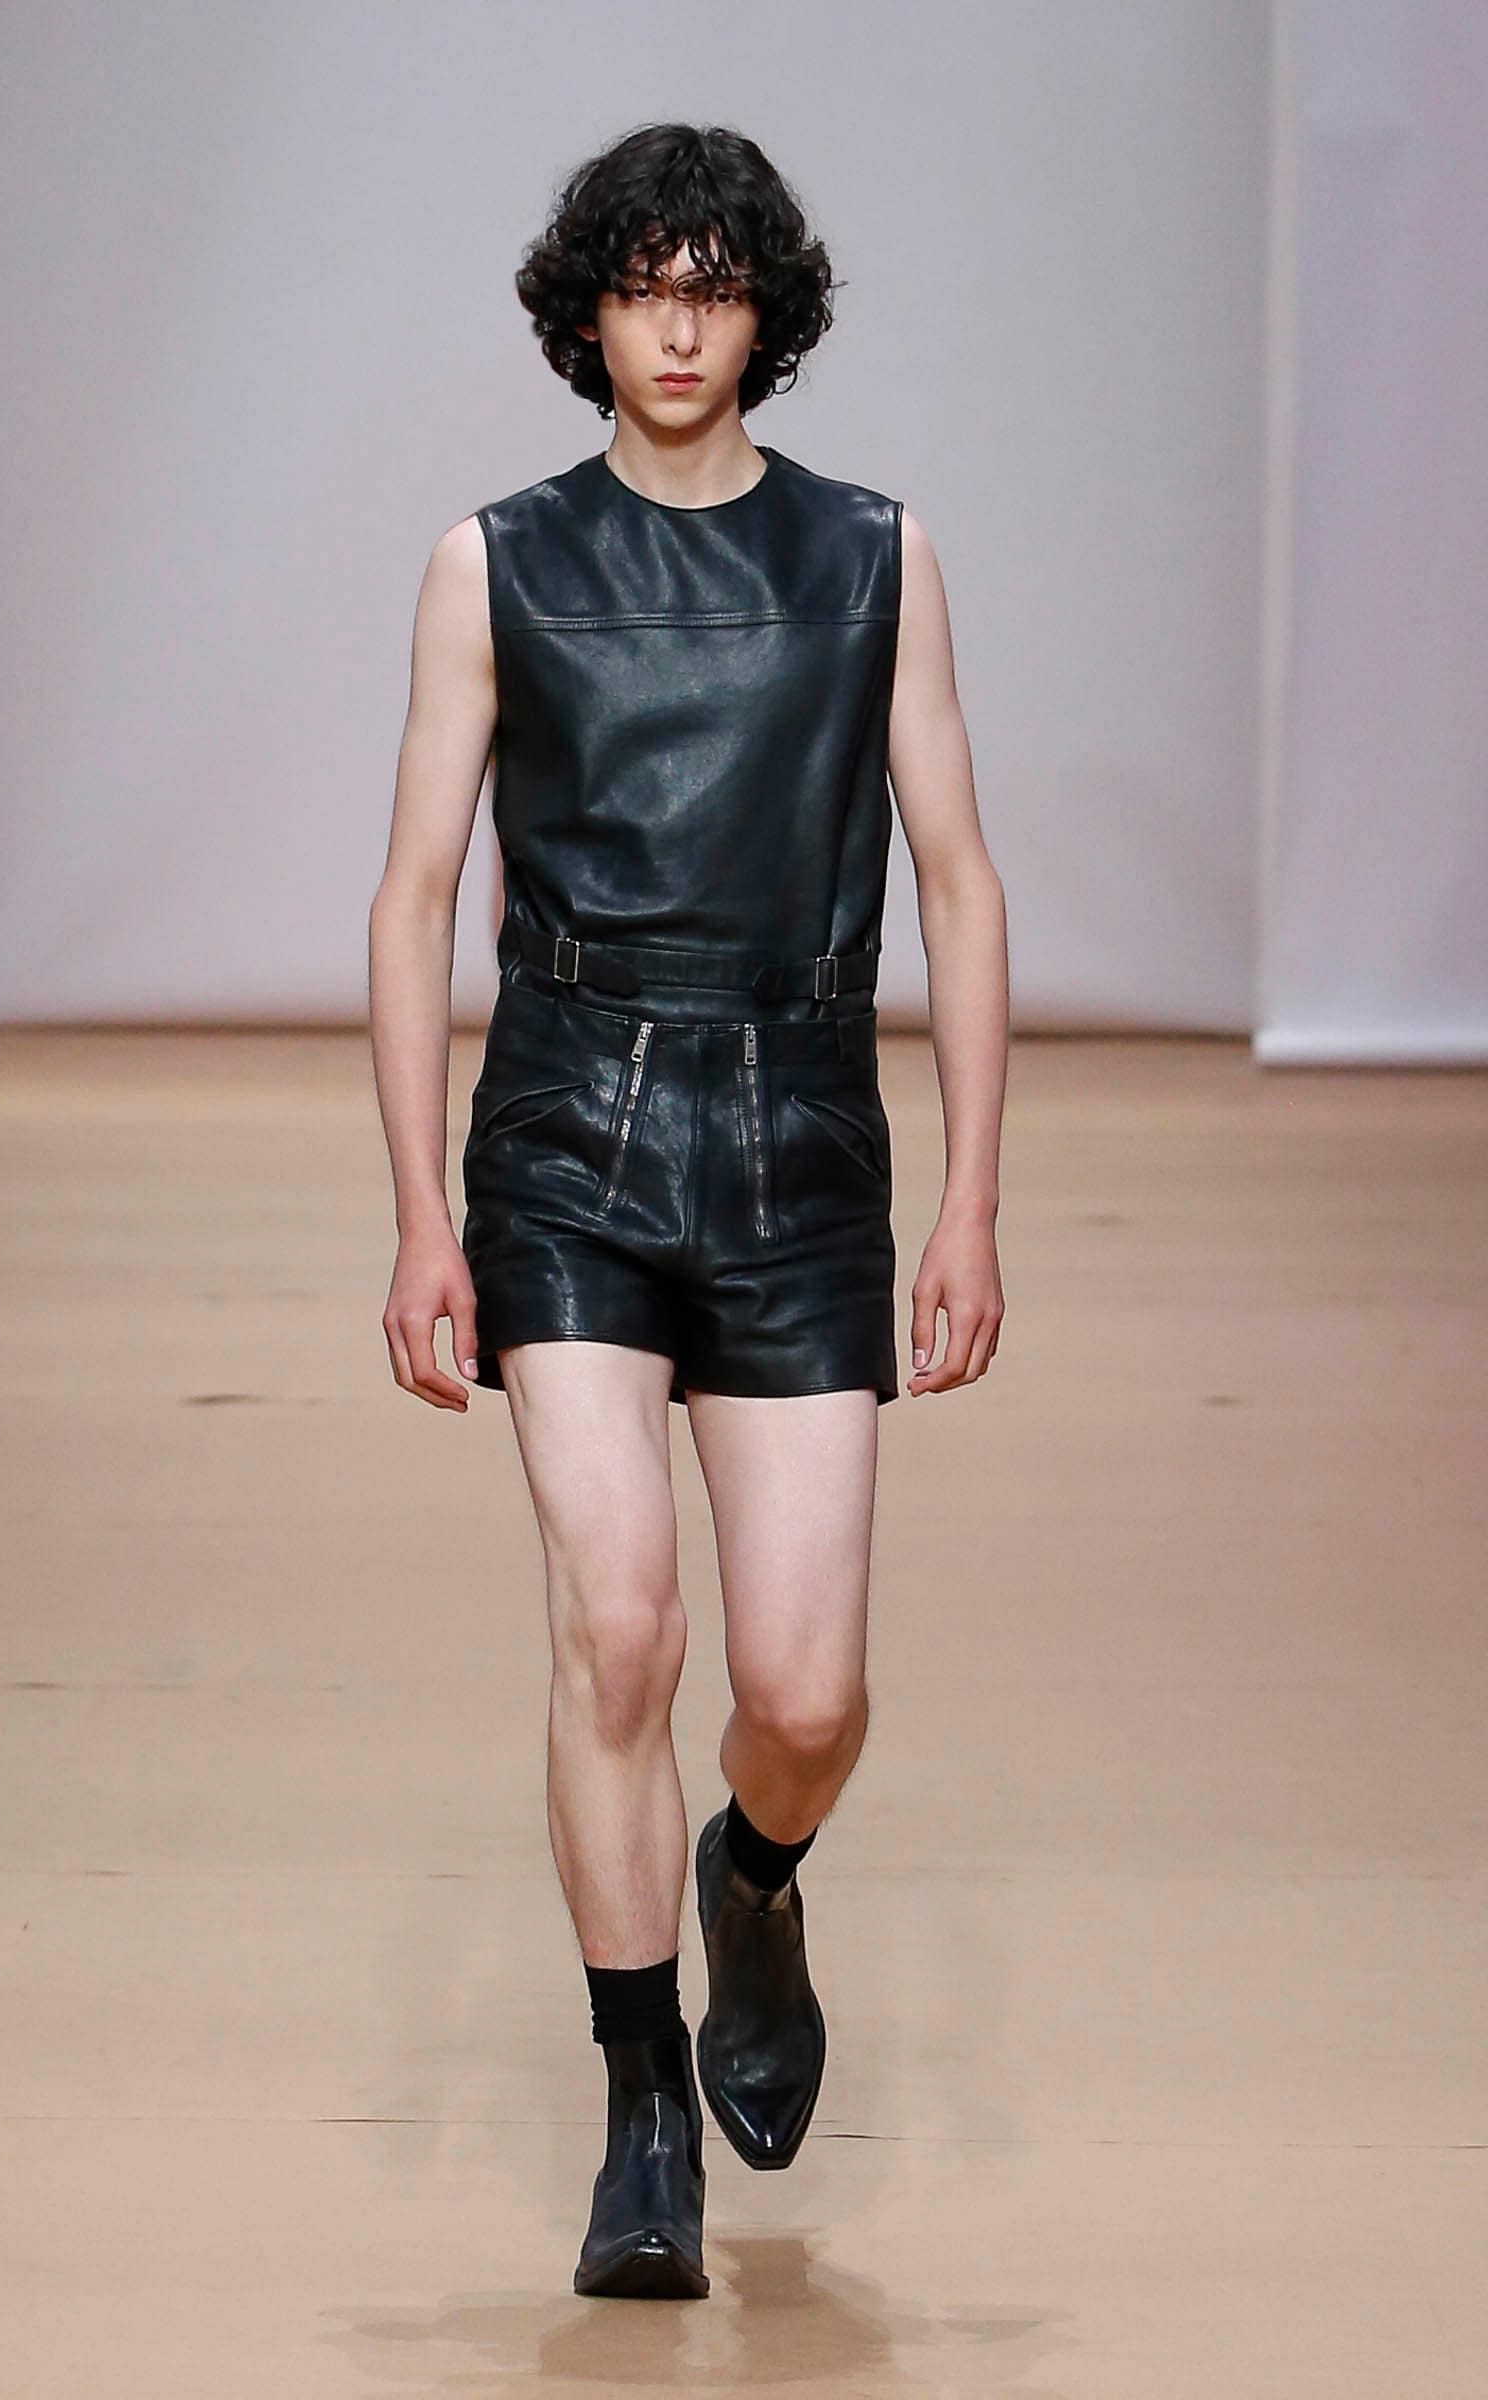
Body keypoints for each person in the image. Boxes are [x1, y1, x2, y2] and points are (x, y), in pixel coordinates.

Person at [368, 121, 1008, 2300]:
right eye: (641, 285)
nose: (674, 325)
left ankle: (755, 1876)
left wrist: (972, 1200)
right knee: (619, 1623)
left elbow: (958, 881)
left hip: (800, 1130)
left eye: (713, 286)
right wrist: (419, 1212)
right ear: (586, 312)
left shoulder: (875, 558)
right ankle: (642, 2103)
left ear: (766, 316)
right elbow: (414, 895)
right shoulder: (494, 562)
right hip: (567, 1129)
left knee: (803, 1695)